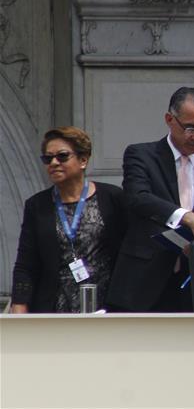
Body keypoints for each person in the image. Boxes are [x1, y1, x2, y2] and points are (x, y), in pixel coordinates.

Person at [107, 87, 194, 312]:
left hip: (193, 285)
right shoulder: (141, 155)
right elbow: (138, 198)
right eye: (191, 127)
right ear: (169, 119)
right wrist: (188, 218)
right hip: (143, 283)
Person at [11, 127, 127, 313]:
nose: (54, 163)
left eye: (62, 156)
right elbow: (26, 263)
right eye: (47, 158)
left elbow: (128, 252)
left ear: (83, 159)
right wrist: (19, 305)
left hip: (107, 307)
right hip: (54, 307)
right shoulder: (37, 205)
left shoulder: (112, 198)